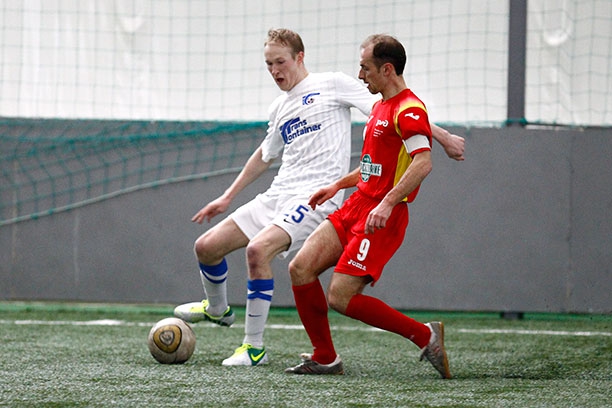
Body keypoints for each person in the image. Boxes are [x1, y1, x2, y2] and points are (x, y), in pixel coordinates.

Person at [174, 28, 464, 367]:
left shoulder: (336, 85)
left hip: (326, 201)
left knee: (275, 260)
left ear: (299, 57)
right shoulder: (281, 107)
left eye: (280, 62)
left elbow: (404, 117)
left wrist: (442, 137)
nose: (274, 70)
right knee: (214, 248)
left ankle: (253, 347)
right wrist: (228, 196)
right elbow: (267, 155)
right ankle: (226, 314)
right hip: (300, 195)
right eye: (268, 64)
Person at [285, 34, 452, 378]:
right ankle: (325, 357)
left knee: (341, 297)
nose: (361, 75)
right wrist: (337, 185)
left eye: (366, 68)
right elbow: (372, 168)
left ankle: (425, 336)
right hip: (358, 204)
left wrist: (387, 203)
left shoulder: (409, 110)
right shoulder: (379, 108)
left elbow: (423, 163)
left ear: (387, 69)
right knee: (300, 268)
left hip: (382, 215)